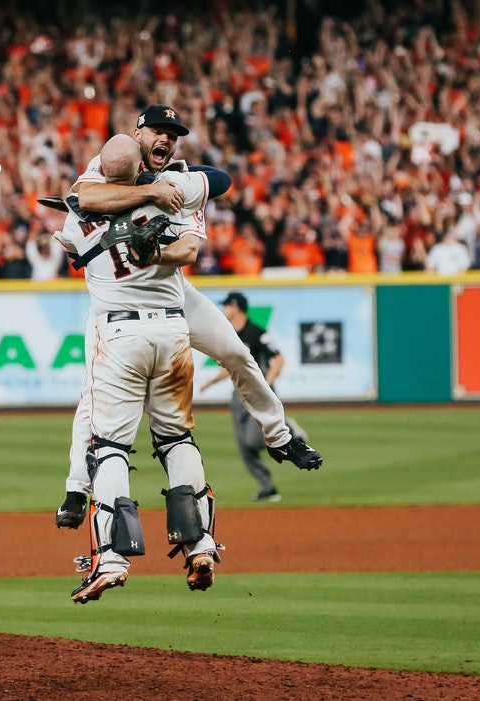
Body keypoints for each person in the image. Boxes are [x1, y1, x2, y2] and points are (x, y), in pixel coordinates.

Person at [52, 104, 323, 530]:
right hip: (113, 304)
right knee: (91, 395)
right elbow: (87, 196)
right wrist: (149, 192)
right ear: (137, 135)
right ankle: (75, 490)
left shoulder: (181, 178)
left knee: (237, 352)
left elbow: (196, 238)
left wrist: (158, 242)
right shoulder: (109, 162)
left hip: (173, 292)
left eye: (173, 133)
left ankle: (281, 437)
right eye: (157, 130)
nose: (166, 138)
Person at [54, 134, 219, 602]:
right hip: (172, 334)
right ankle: (200, 544)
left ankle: (111, 556)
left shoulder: (78, 214)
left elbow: (73, 240)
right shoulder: (169, 203)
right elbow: (194, 236)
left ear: (101, 173)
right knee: (176, 440)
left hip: (120, 335)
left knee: (109, 447)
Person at [199, 292, 310, 502]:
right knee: (244, 448)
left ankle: (289, 429)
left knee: (253, 439)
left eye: (227, 306)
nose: (223, 310)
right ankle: (267, 488)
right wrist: (210, 383)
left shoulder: (257, 332)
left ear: (236, 307)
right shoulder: (230, 334)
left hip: (259, 394)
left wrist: (266, 383)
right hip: (238, 394)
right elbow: (231, 366)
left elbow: (278, 359)